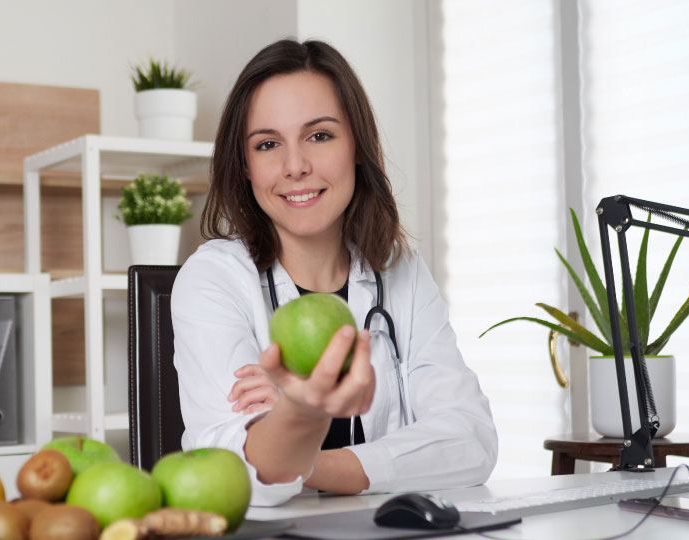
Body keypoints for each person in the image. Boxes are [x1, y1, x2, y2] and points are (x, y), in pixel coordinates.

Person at [171, 38, 497, 507]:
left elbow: (472, 441)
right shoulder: (212, 280)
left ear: (357, 147)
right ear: (244, 166)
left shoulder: (400, 271)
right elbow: (234, 473)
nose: (295, 166)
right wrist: (306, 419)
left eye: (319, 136)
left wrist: (303, 454)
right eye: (267, 144)